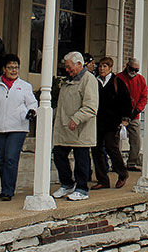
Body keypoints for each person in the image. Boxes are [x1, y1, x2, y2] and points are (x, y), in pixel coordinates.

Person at [0, 54, 38, 201]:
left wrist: (32, 111)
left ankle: (8, 190)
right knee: (2, 160)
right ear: (4, 69)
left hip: (18, 128)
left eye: (16, 67)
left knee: (11, 159)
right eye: (10, 67)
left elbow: (32, 103)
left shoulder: (24, 86)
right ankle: (4, 188)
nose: (14, 70)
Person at [52, 51, 98, 201]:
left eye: (69, 66)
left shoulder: (89, 80)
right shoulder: (67, 81)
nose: (67, 70)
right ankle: (67, 184)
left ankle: (82, 189)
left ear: (79, 64)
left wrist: (77, 119)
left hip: (81, 129)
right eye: (65, 67)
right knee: (58, 154)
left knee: (81, 159)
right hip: (65, 128)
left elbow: (91, 106)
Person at [91, 57, 131, 190]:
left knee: (111, 147)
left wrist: (125, 119)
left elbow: (126, 101)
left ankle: (122, 173)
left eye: (105, 66)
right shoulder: (94, 81)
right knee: (96, 150)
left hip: (112, 122)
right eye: (100, 66)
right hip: (97, 121)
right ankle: (103, 179)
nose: (102, 69)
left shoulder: (117, 82)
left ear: (110, 68)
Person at [115, 57, 146, 171]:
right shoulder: (118, 78)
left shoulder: (140, 79)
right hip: (119, 114)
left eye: (136, 70)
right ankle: (117, 164)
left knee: (136, 140)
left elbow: (144, 97)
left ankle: (132, 163)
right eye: (132, 69)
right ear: (127, 66)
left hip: (134, 115)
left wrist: (136, 111)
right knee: (116, 140)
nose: (134, 72)